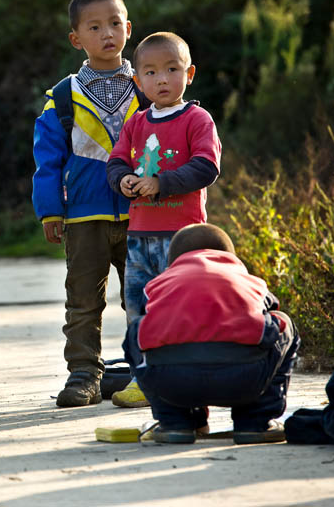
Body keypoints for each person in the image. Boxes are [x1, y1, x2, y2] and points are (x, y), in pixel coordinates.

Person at [31, 0, 147, 407]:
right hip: (83, 215)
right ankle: (83, 375)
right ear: (76, 39)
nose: (108, 34)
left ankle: (147, 372)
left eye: (115, 24)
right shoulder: (63, 97)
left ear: (129, 28)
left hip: (143, 214)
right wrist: (50, 211)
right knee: (83, 302)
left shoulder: (147, 85)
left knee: (144, 297)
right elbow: (47, 160)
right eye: (95, 27)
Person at [106, 31, 222, 408]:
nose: (162, 79)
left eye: (171, 70)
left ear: (189, 74)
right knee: (139, 308)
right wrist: (122, 179)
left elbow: (206, 167)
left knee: (181, 310)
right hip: (139, 238)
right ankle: (145, 379)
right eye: (152, 72)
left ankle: (188, 377)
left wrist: (161, 184)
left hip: (182, 239)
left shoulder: (197, 119)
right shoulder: (136, 122)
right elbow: (117, 161)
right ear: (138, 81)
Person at [123, 223, 299, 444]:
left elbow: (143, 330)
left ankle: (174, 422)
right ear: (230, 256)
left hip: (171, 381)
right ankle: (255, 422)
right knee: (284, 322)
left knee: (135, 332)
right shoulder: (251, 282)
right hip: (243, 378)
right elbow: (272, 318)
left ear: (174, 260)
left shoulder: (157, 285)